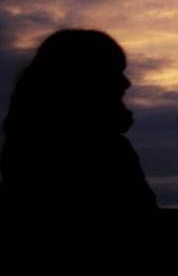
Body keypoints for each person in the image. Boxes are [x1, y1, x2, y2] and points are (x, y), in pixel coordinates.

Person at [0, 29, 156, 213]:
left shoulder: (24, 144)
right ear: (85, 78)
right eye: (114, 71)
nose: (126, 83)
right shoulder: (104, 149)